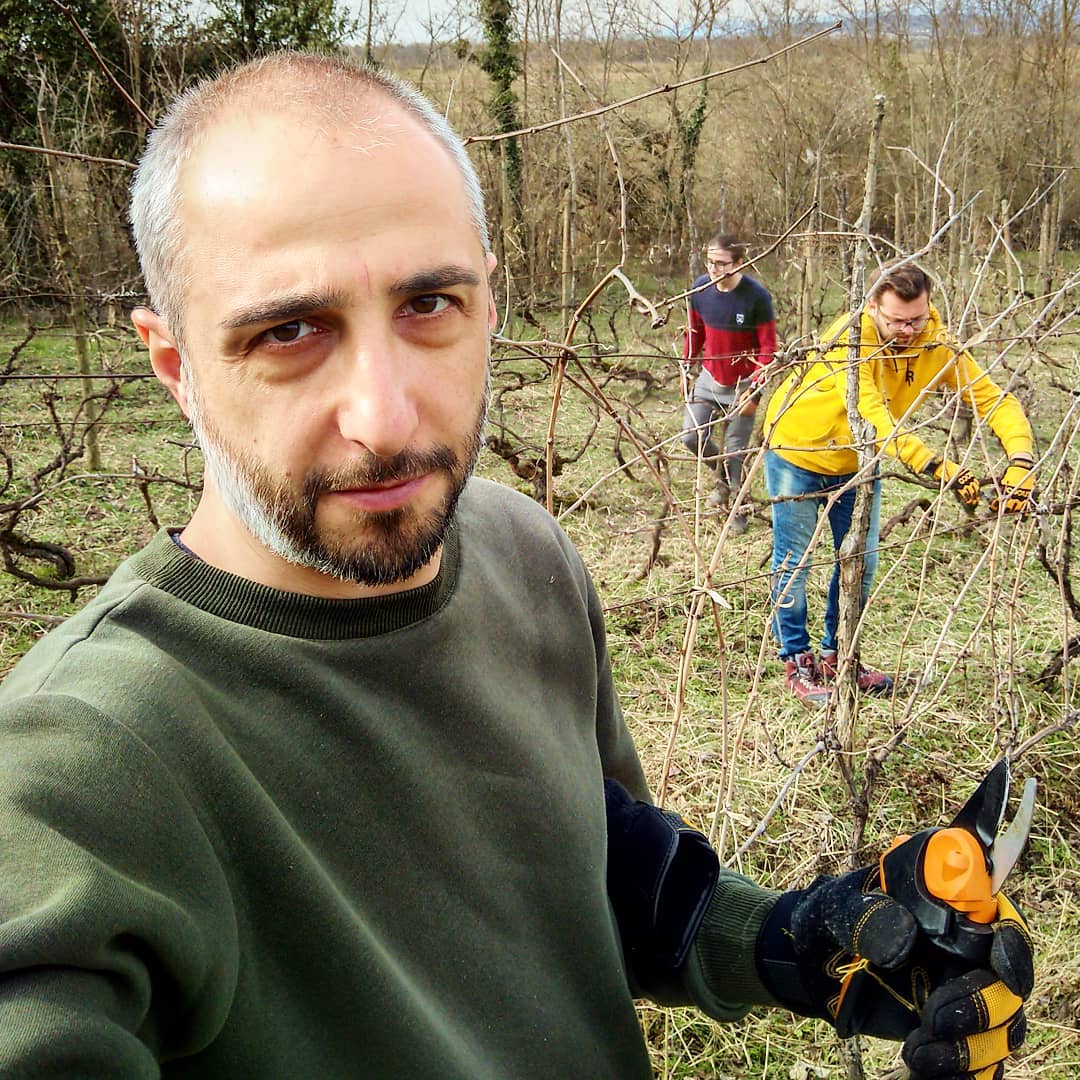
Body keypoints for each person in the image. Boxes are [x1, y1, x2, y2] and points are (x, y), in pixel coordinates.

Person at [0, 54, 1032, 1078]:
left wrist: (799, 942)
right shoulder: (72, 773)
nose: (387, 418)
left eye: (429, 305)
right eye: (290, 330)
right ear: (174, 366)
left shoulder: (519, 550)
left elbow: (591, 867)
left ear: (489, 304)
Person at [763, 261, 1036, 706]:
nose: (909, 330)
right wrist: (933, 465)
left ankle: (840, 655)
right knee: (795, 561)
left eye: (918, 318)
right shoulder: (849, 338)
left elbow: (994, 400)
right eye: (897, 321)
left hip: (858, 460)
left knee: (860, 561)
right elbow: (871, 410)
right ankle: (797, 659)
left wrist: (1021, 458)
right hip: (798, 449)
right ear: (872, 306)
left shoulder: (937, 343)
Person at [681, 234, 777, 533]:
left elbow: (768, 347)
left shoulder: (757, 297)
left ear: (740, 263)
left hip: (743, 383)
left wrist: (755, 387)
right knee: (691, 438)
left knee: (736, 451)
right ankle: (722, 480)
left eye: (721, 263)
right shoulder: (700, 289)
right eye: (710, 262)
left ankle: (738, 509)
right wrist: (686, 367)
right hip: (710, 377)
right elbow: (695, 332)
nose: (714, 268)